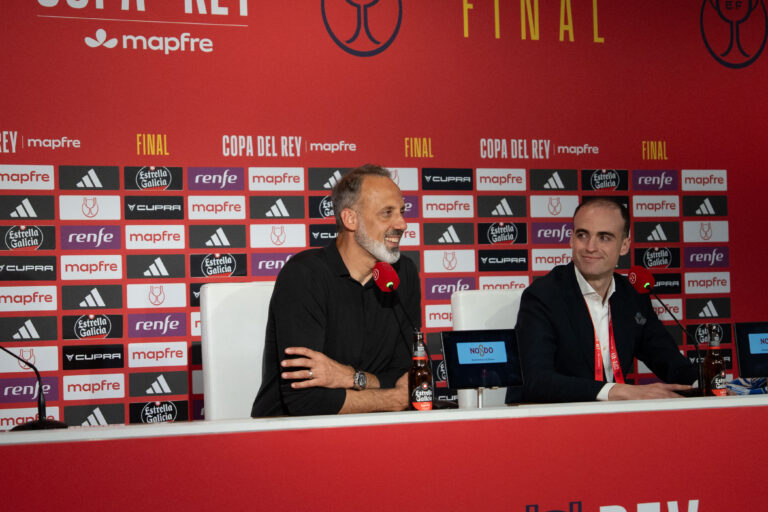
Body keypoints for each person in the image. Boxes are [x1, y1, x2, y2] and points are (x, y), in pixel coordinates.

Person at [251, 164, 420, 416]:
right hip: (291, 430)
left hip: (377, 428)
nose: (402, 224)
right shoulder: (304, 274)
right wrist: (392, 399)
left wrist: (351, 377)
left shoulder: (403, 273)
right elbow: (305, 400)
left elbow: (406, 378)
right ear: (350, 219)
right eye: (387, 213)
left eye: (402, 212)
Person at [512, 197, 698, 403]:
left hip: (613, 417)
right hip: (557, 416)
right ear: (571, 239)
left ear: (624, 245)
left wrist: (706, 383)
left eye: (604, 237)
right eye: (582, 235)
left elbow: (669, 361)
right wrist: (616, 391)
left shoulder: (632, 296)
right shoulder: (543, 296)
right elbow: (536, 382)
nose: (590, 247)